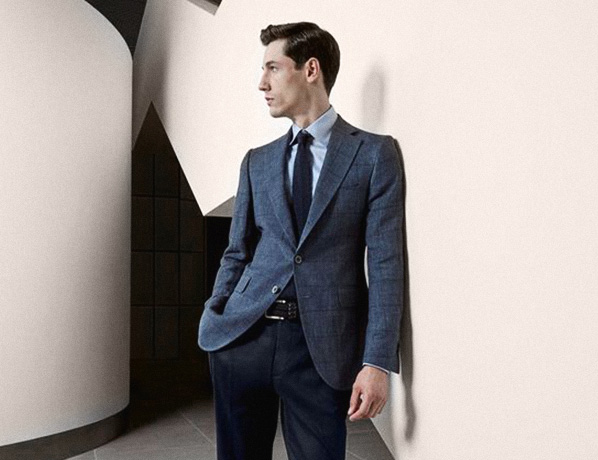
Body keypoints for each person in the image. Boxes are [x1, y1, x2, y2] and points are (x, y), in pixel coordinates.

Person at [198, 21, 404, 460]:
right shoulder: (256, 161)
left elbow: (386, 264)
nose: (262, 83)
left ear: (310, 70)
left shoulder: (373, 155)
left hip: (322, 351)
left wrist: (377, 362)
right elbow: (237, 251)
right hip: (244, 338)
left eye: (273, 68)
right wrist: (216, 312)